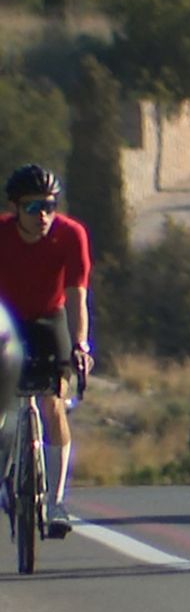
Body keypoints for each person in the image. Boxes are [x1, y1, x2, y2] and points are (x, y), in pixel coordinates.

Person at [0, 164, 92, 538]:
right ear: (15, 208)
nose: (43, 216)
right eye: (33, 207)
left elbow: (77, 297)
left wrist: (80, 344)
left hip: (48, 318)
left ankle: (56, 501)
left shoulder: (71, 235)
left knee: (54, 403)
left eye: (50, 206)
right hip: (6, 318)